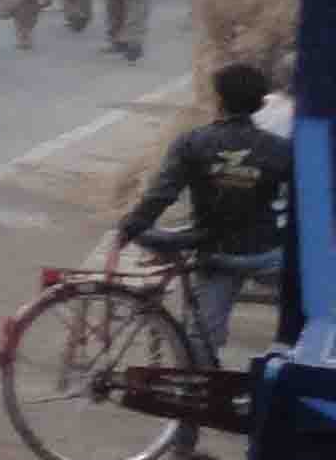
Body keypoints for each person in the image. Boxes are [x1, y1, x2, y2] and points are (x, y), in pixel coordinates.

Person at [124, 62, 296, 407]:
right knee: (311, 312)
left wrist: (130, 228)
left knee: (198, 347)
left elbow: (161, 195)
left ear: (219, 100)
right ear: (260, 103)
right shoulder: (281, 150)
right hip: (266, 255)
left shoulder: (192, 142)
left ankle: (188, 427)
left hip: (214, 254)